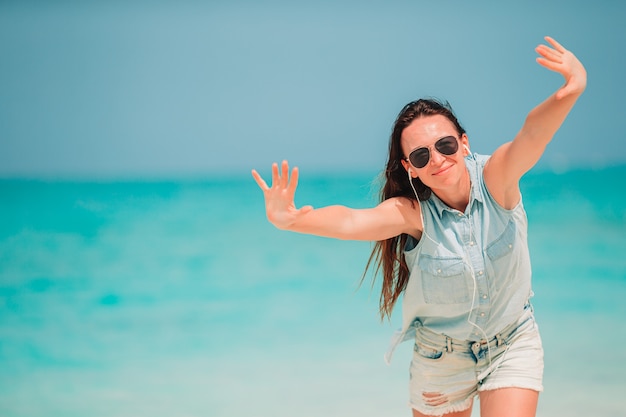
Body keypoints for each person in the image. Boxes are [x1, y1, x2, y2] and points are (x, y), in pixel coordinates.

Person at [251, 36, 586, 417]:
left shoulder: (497, 178)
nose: (438, 160)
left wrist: (571, 91)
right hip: (441, 357)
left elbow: (532, 134)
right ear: (410, 167)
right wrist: (291, 219)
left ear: (463, 142)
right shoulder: (412, 212)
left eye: (444, 145)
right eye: (421, 155)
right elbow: (351, 221)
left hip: (512, 342)